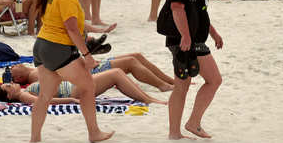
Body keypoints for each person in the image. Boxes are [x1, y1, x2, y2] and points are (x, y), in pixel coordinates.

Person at [29, 0, 114, 143]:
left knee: (44, 95)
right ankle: (94, 133)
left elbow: (64, 24)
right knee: (88, 86)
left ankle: (35, 138)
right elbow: (72, 29)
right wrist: (87, 56)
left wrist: (99, 30)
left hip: (41, 45)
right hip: (57, 48)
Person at [162, 0, 223, 139]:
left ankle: (175, 132)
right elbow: (177, 8)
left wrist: (213, 33)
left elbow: (198, 12)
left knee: (182, 85)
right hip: (189, 42)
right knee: (213, 80)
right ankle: (193, 123)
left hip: (188, 40)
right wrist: (186, 36)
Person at [10, 52, 174, 92]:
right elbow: (61, 76)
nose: (12, 67)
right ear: (18, 78)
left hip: (85, 66)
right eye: (11, 71)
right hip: (89, 73)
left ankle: (170, 81)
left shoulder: (34, 69)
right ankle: (162, 85)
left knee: (136, 55)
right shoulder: (33, 75)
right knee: (131, 62)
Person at [0, 66, 165, 105]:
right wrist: (71, 100)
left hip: (75, 87)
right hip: (75, 91)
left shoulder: (25, 90)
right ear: (10, 96)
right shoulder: (23, 95)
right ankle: (149, 100)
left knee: (117, 72)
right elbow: (45, 101)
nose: (11, 84)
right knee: (116, 74)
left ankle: (148, 98)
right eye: (8, 87)